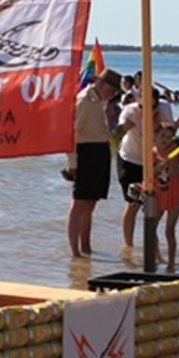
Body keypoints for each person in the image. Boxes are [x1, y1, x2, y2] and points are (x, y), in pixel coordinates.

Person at [66, 68, 121, 257]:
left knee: (90, 203)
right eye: (112, 90)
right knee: (79, 204)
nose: (113, 94)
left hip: (99, 151)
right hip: (86, 152)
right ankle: (75, 251)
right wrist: (72, 163)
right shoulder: (84, 101)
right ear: (101, 84)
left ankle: (86, 247)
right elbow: (71, 134)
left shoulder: (100, 101)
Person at [115, 84, 177, 248]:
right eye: (144, 106)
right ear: (138, 101)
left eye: (153, 106)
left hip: (153, 161)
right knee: (133, 203)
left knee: (154, 207)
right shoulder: (130, 110)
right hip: (130, 160)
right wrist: (124, 128)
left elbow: (170, 134)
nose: (148, 110)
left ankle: (153, 249)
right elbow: (117, 133)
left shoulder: (164, 108)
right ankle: (129, 246)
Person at [152, 119, 179, 268]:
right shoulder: (151, 152)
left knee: (169, 230)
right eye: (162, 136)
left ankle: (171, 262)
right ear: (155, 137)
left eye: (168, 137)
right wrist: (156, 167)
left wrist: (163, 164)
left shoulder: (174, 152)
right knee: (151, 227)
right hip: (158, 193)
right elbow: (148, 173)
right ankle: (157, 256)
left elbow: (173, 171)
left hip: (173, 192)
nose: (164, 140)